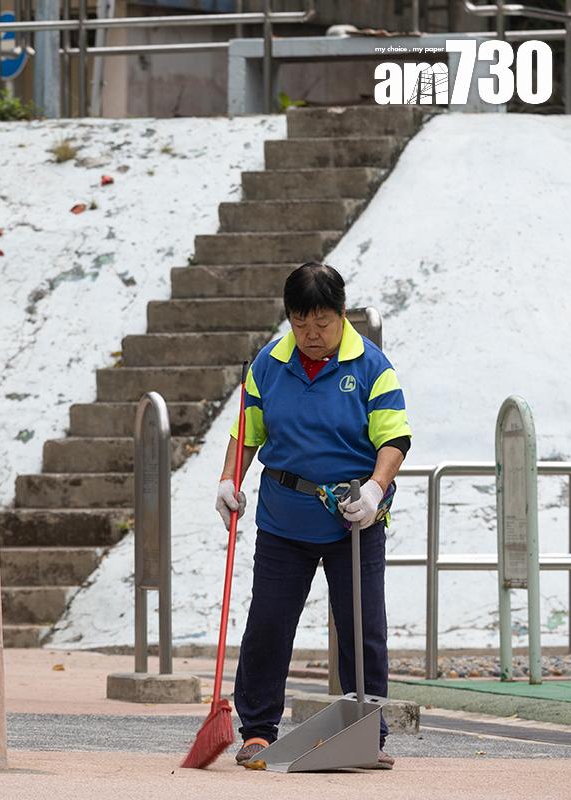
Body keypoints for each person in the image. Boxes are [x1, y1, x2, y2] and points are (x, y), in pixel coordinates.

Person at [215, 262, 411, 770]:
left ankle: (367, 734)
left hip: (354, 521)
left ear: (342, 315)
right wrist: (228, 481)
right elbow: (248, 432)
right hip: (284, 519)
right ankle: (258, 731)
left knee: (362, 630)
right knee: (268, 625)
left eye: (322, 322)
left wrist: (375, 488)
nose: (312, 334)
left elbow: (394, 439)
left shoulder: (371, 366)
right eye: (301, 323)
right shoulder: (268, 364)